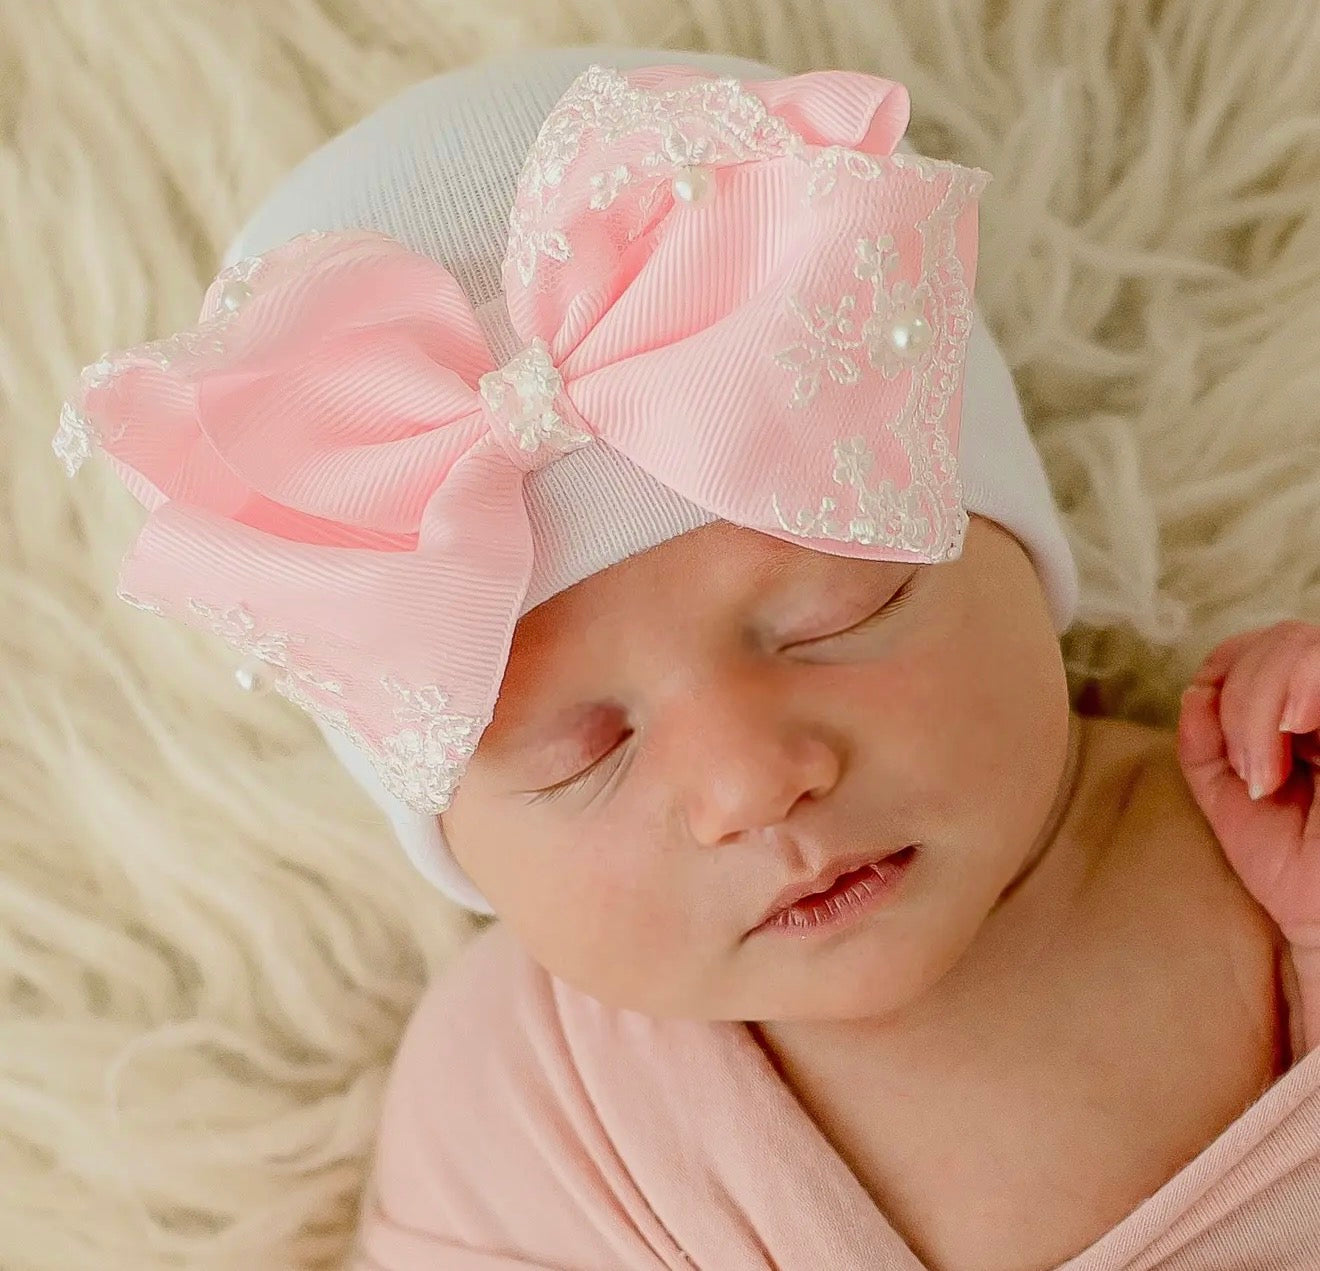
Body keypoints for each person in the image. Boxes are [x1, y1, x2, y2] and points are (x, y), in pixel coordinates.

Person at [55, 44, 1320, 1271]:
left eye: (840, 614)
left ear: (1017, 553)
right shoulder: (516, 1100)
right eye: (582, 754)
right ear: (460, 842)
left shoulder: (1250, 842)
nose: (753, 782)